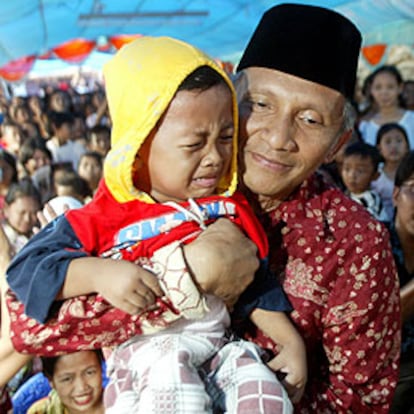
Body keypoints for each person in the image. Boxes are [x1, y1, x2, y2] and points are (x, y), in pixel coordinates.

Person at [6, 36, 304, 413]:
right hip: (147, 362)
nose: (215, 157)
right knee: (181, 396)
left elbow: (254, 283)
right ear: (138, 146)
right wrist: (96, 273)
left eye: (226, 138)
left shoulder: (225, 208)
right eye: (194, 144)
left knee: (266, 397)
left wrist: (289, 342)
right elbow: (27, 271)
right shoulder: (100, 215)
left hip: (220, 348)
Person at [231, 4, 400, 412]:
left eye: (309, 120)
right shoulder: (165, 191)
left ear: (336, 146)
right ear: (228, 103)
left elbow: (361, 399)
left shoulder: (357, 243)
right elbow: (54, 327)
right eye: (261, 105)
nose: (277, 138)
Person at [388, 150, 414, 414]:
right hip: (382, 376)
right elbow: (379, 322)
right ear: (395, 195)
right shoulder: (371, 245)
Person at [27, 350, 105, 414]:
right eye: (67, 379)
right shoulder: (41, 411)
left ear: (101, 369)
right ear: (51, 381)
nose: (81, 388)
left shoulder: (115, 404)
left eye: (90, 373)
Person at [358, 65, 414, 149]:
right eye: (378, 87)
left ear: (400, 88)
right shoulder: (365, 126)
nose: (384, 93)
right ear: (371, 90)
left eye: (390, 87)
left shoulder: (411, 119)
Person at [340, 141, 389, 222]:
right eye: (347, 169)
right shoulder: (345, 195)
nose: (352, 175)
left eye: (360, 171)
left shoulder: (370, 200)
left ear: (375, 175)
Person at [372, 123, 410, 220]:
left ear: (407, 147)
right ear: (379, 148)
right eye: (388, 142)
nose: (394, 146)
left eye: (399, 141)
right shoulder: (374, 174)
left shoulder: (411, 172)